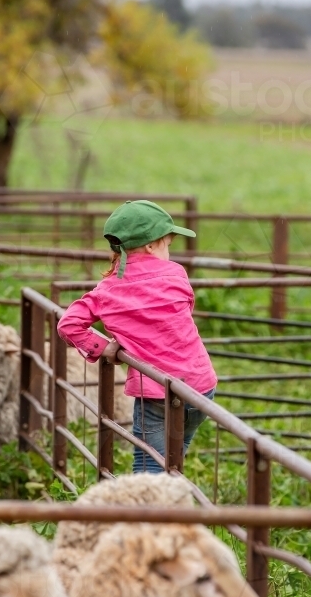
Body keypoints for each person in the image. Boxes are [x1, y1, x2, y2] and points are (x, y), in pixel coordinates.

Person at [57, 200, 217, 474]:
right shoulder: (177, 274)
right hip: (200, 389)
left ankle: (149, 512)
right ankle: (171, 499)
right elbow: (183, 311)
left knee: (148, 466)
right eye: (168, 244)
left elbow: (69, 324)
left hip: (154, 393)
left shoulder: (107, 290)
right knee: (176, 457)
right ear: (151, 245)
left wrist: (104, 347)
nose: (169, 252)